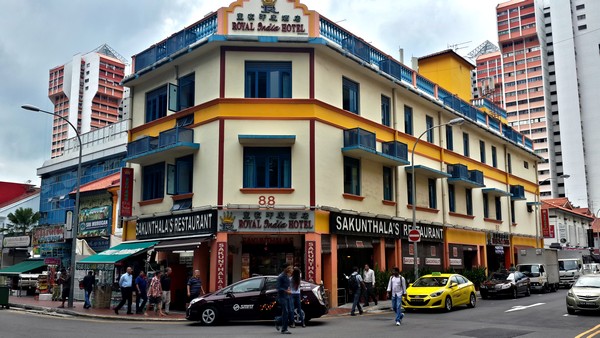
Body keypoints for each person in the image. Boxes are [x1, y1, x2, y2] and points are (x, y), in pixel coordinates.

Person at [274, 265, 293, 334]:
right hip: (282, 297)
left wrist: (289, 289)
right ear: (287, 269)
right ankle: (284, 329)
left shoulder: (287, 276)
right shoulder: (281, 277)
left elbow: (287, 286)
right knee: (286, 312)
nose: (292, 270)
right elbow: (278, 288)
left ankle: (277, 320)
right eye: (291, 268)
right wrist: (286, 291)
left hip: (287, 296)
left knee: (290, 312)